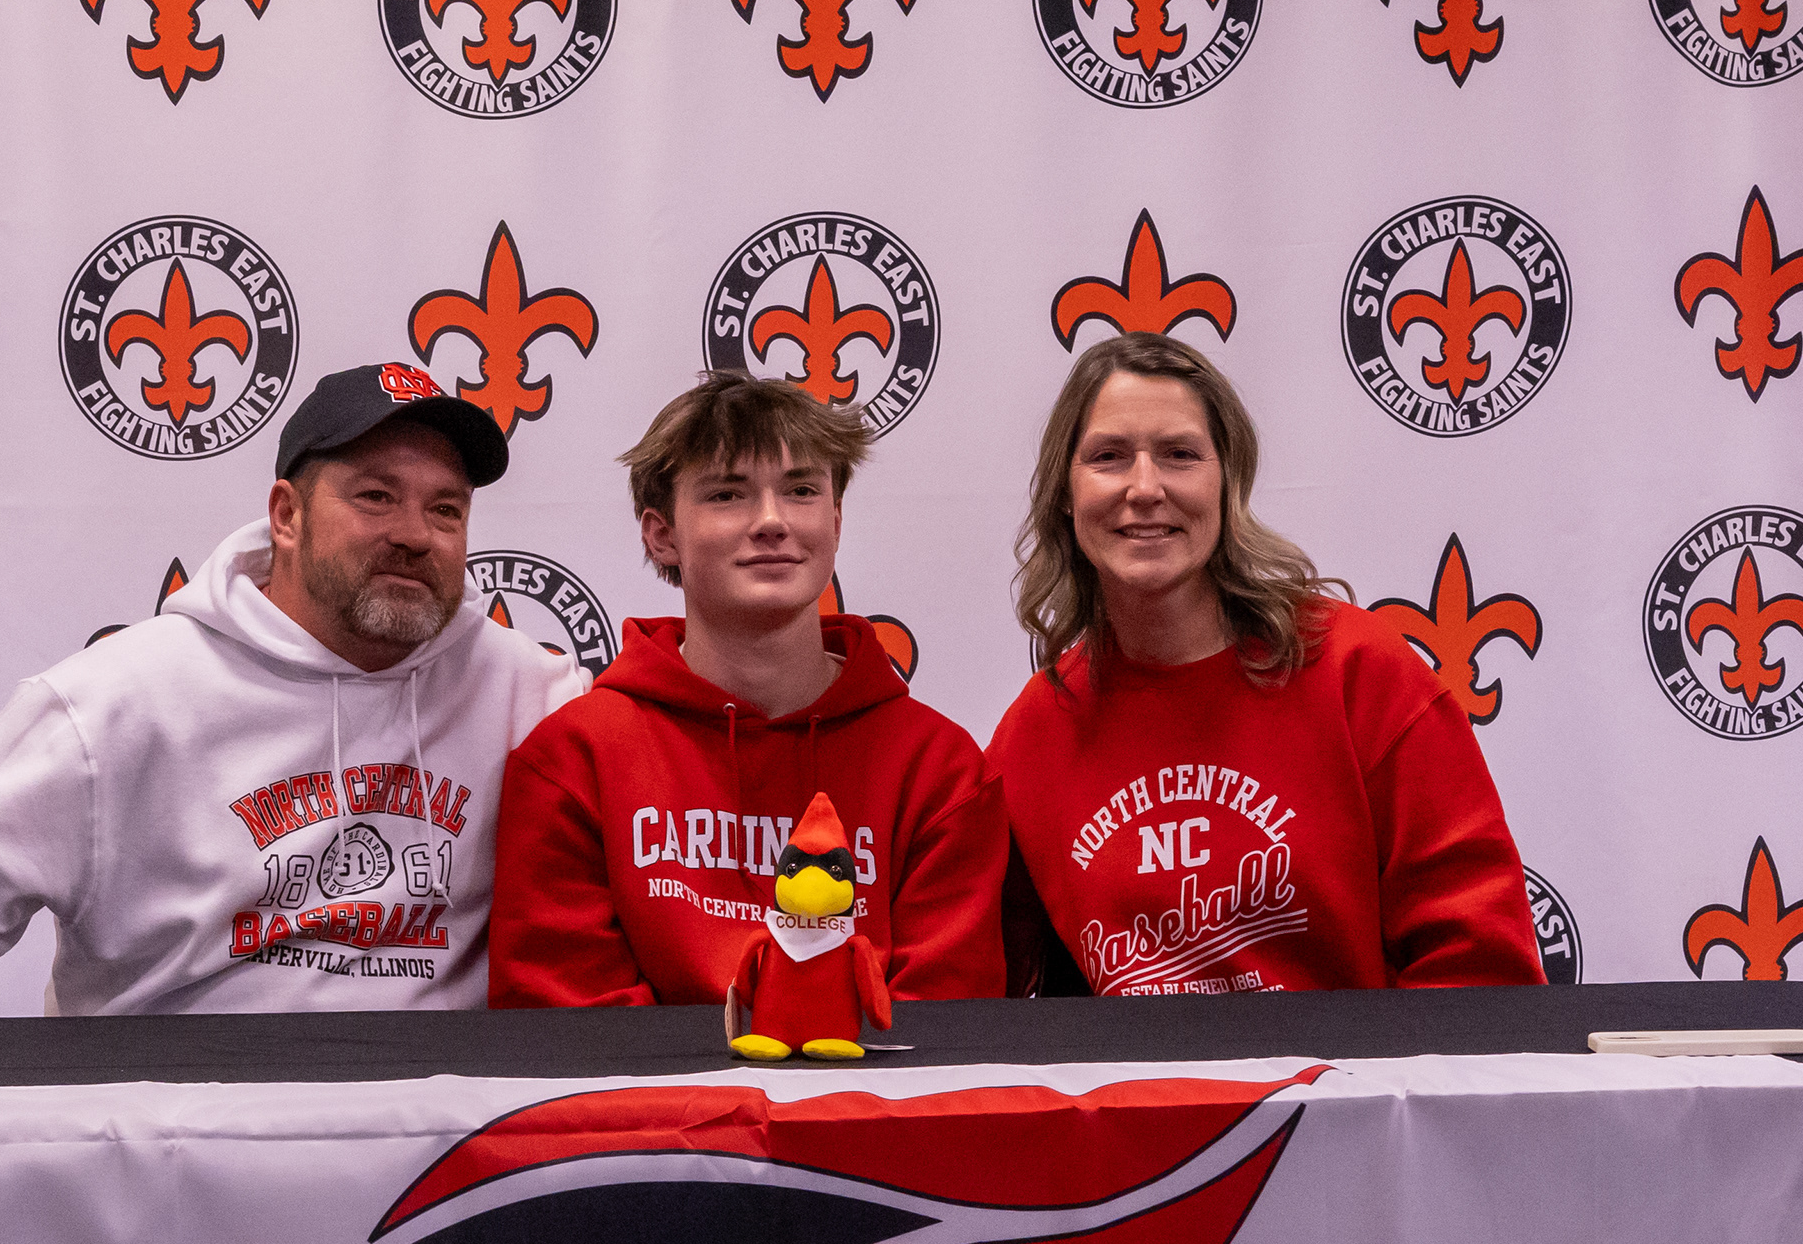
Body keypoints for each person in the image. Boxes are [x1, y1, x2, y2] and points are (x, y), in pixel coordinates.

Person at [0, 364, 589, 1059]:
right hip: (165, 1146)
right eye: (376, 496)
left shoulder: (532, 696)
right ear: (287, 515)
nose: (415, 534)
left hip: (431, 1152)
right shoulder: (123, 700)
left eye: (446, 509)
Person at [987, 332, 1542, 997]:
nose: (1145, 487)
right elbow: (985, 1002)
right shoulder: (1033, 737)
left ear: (1228, 482)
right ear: (1066, 492)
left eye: (1180, 454)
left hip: (1355, 1070)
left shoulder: (1359, 673)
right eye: (1109, 457)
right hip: (1138, 1072)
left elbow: (1482, 971)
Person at [488, 373, 1006, 1011]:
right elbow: (575, 1035)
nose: (771, 521)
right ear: (661, 535)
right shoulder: (574, 760)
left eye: (801, 490)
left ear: (835, 521)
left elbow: (946, 1031)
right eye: (727, 495)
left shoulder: (940, 769)